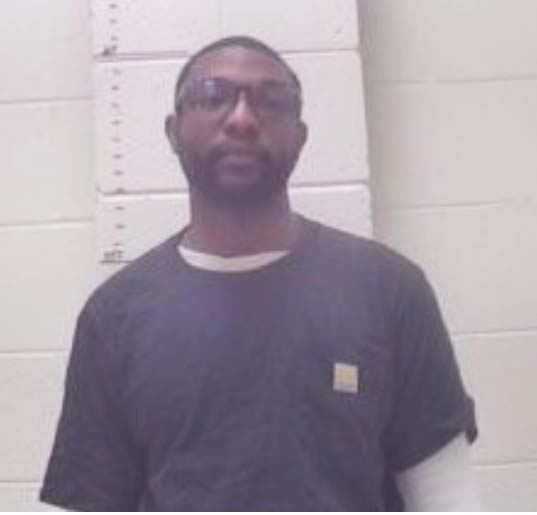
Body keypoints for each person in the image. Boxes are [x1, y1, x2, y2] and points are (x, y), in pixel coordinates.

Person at [40, 36, 478, 511]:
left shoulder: (388, 289)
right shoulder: (115, 315)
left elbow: (447, 498)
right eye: (213, 96)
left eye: (272, 101)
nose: (243, 119)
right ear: (173, 130)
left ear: (301, 136)